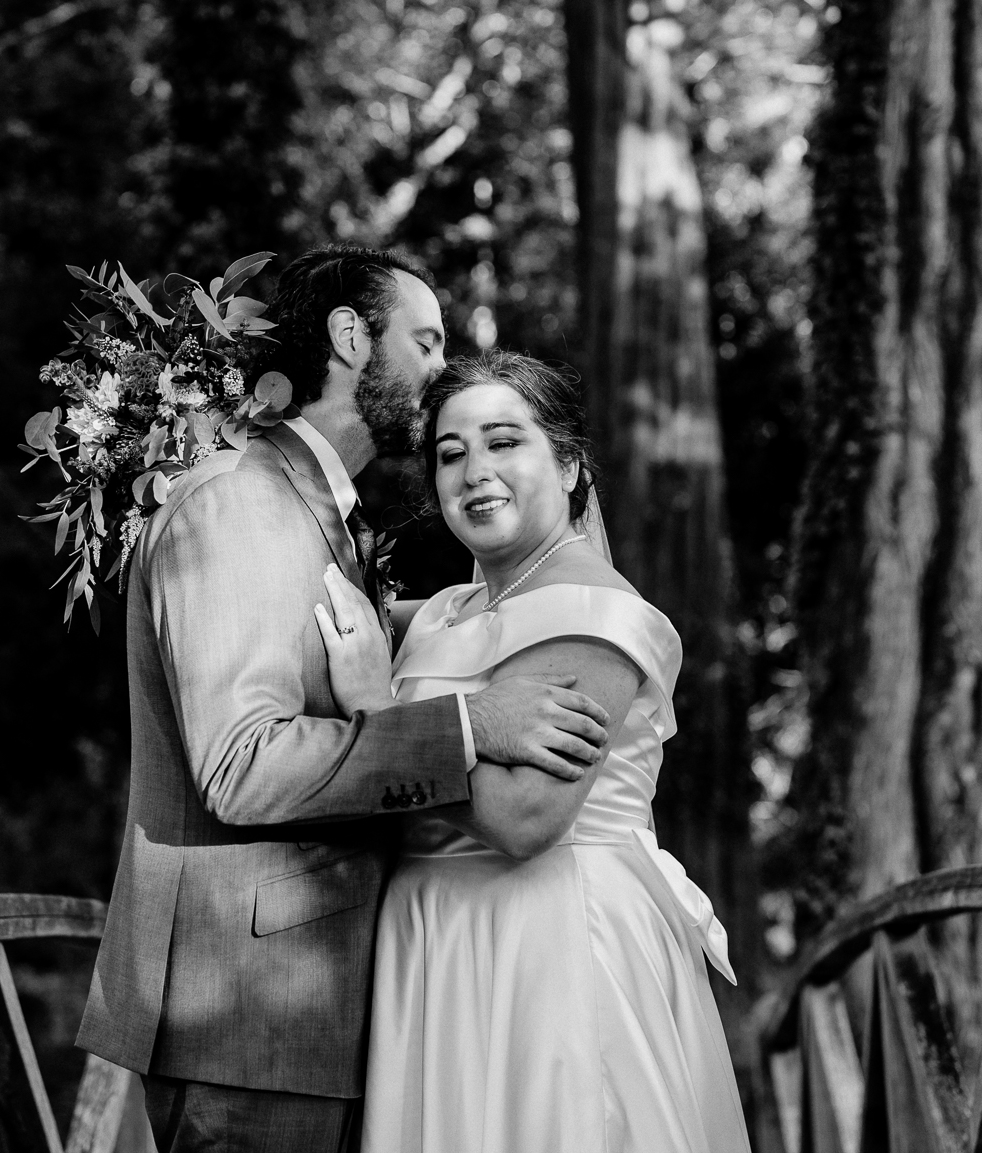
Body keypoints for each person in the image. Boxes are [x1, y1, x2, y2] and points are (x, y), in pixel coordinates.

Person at [76, 247, 615, 1153]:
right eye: (429, 343)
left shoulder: (321, 512)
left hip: (316, 1011)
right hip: (251, 1019)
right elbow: (241, 767)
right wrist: (469, 723)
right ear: (350, 337)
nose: (445, 374)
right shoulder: (240, 502)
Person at [316, 350, 753, 1153]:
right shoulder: (450, 609)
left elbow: (524, 818)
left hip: (548, 943)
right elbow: (311, 604)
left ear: (569, 464)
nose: (475, 472)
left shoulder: (596, 613)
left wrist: (379, 707)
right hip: (436, 939)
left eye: (504, 441)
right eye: (452, 454)